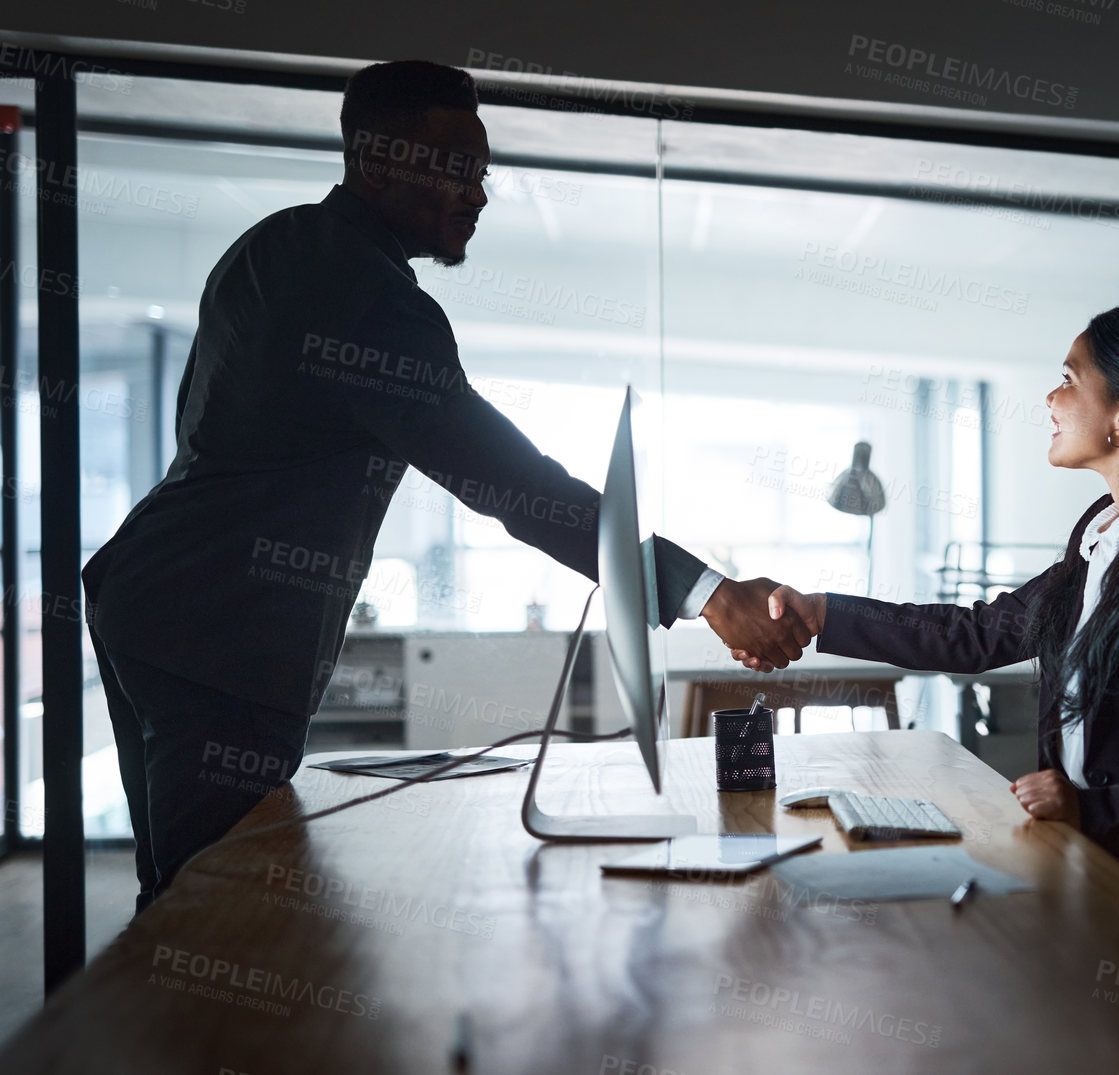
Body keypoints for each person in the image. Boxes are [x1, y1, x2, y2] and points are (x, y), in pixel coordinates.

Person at [82, 60, 807, 913]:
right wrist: (704, 589)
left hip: (148, 597)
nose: (478, 195)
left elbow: (208, 435)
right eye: (455, 169)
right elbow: (508, 481)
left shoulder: (271, 246)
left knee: (183, 888)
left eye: (482, 172)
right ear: (377, 160)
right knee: (224, 909)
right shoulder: (370, 299)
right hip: (221, 635)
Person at [753, 304, 1119, 986]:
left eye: (1068, 378)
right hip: (1110, 873)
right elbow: (979, 633)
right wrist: (819, 613)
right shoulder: (1106, 531)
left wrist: (1094, 810)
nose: (1050, 398)